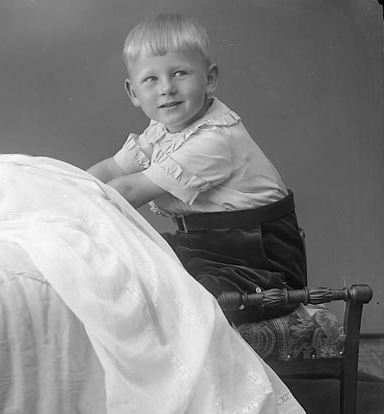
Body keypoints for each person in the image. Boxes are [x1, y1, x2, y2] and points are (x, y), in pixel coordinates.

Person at [87, 13, 306, 323]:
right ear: (133, 92)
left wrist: (77, 207)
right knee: (134, 264)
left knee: (183, 300)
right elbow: (112, 170)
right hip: (205, 249)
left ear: (210, 79)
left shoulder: (215, 139)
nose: (167, 88)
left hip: (257, 263)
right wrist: (67, 186)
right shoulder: (161, 131)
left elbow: (130, 190)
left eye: (180, 73)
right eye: (151, 79)